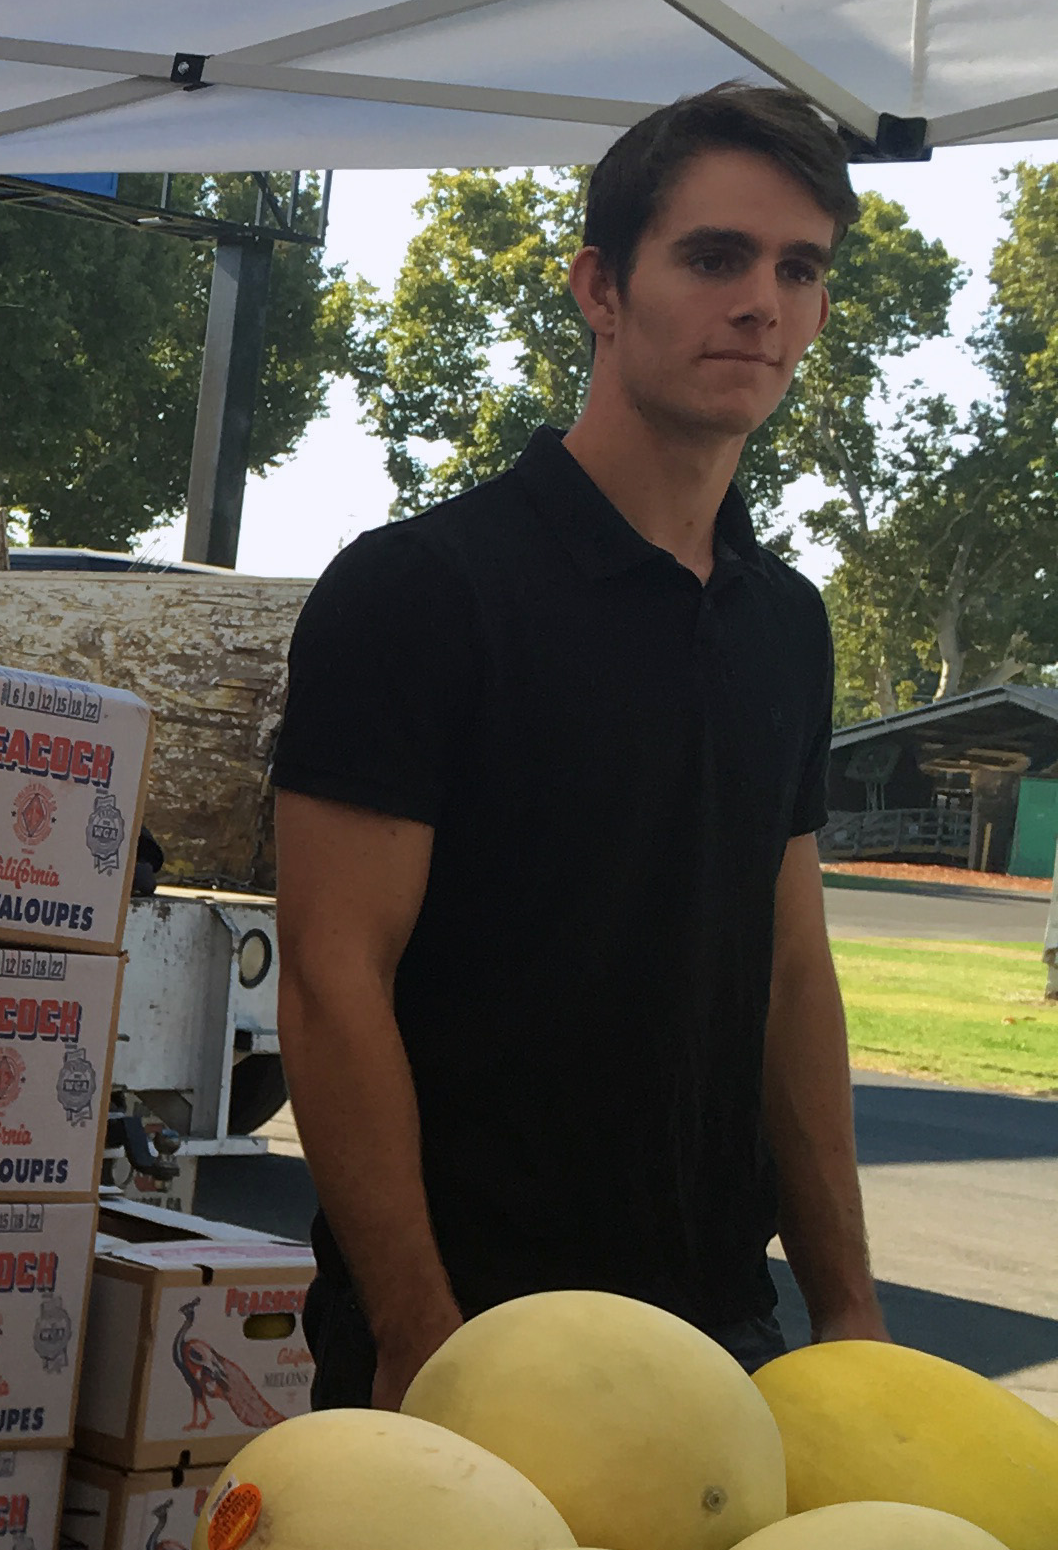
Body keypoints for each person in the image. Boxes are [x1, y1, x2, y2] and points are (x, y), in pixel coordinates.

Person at [274, 82, 888, 1412]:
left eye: (800, 270)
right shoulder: (421, 591)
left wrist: (845, 1307)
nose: (762, 304)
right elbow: (333, 976)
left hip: (721, 1342)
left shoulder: (784, 623)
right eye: (715, 257)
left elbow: (791, 970)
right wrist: (417, 1330)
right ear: (600, 288)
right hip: (471, 1344)